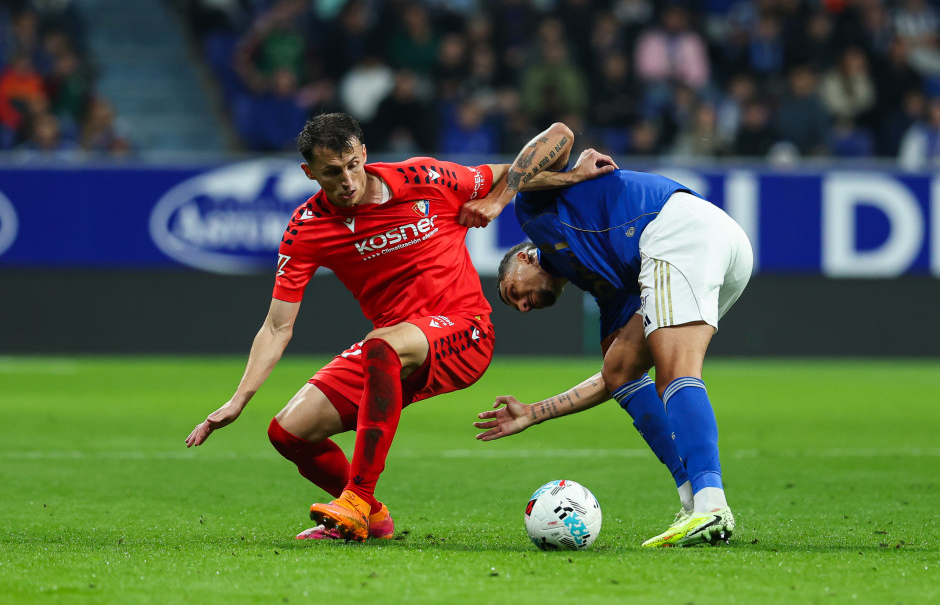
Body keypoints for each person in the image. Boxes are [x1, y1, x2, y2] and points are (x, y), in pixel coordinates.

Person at [185, 112, 613, 542]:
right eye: (332, 173)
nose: (347, 180)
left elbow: (556, 140)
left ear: (364, 154)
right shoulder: (307, 230)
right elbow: (277, 327)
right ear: (309, 172)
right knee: (289, 433)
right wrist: (239, 399)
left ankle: (355, 498)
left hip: (465, 332)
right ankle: (373, 517)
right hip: (394, 346)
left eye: (353, 164)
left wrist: (563, 178)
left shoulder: (426, 178)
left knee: (382, 346)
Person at [462, 136, 753, 548]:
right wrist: (534, 413)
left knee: (676, 374)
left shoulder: (535, 213)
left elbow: (559, 134)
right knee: (623, 369)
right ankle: (693, 504)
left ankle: (710, 506)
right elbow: (611, 376)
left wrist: (507, 197)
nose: (523, 306)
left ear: (524, 258)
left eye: (514, 292)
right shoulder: (608, 285)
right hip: (718, 244)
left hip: (676, 230)